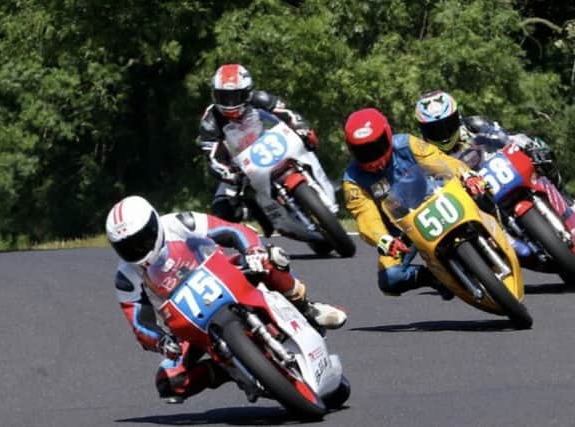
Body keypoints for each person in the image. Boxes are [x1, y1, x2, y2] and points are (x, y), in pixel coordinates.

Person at [105, 195, 346, 402]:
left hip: (227, 276)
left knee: (270, 258)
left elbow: (231, 230)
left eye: (142, 239)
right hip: (189, 323)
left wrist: (252, 251)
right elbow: (139, 323)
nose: (137, 249)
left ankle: (305, 306)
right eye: (127, 246)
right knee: (171, 381)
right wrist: (160, 341)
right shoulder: (126, 276)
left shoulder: (179, 223)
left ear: (154, 224)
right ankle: (233, 368)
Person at [341, 108, 490, 300]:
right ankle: (435, 277)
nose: (372, 157)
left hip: (440, 199)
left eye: (377, 147)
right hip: (402, 231)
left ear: (388, 135)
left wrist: (466, 174)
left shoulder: (407, 144)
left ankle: (502, 231)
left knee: (481, 190)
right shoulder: (352, 180)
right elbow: (365, 216)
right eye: (363, 152)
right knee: (390, 280)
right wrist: (383, 240)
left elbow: (439, 161)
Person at [415, 90, 575, 244]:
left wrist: (529, 146)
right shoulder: (425, 153)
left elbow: (507, 136)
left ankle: (568, 202)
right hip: (477, 199)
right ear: (423, 130)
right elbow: (426, 187)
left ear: (457, 118)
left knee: (541, 154)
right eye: (434, 130)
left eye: (447, 125)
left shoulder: (474, 124)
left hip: (503, 173)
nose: (443, 134)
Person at [197, 63, 321, 234]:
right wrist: (228, 173)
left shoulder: (260, 98)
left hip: (271, 145)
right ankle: (255, 210)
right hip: (238, 165)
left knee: (308, 145)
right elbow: (212, 158)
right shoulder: (210, 120)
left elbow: (288, 114)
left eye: (235, 96)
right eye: (224, 96)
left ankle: (318, 186)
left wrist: (303, 129)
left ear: (247, 92)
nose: (230, 103)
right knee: (222, 212)